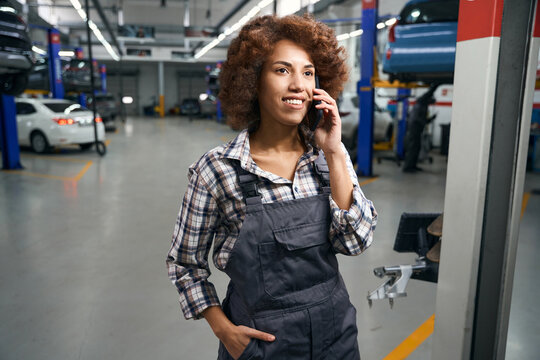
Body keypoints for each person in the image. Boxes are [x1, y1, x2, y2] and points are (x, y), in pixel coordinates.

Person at [166, 14, 377, 360]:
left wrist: (336, 151)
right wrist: (225, 330)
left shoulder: (327, 158)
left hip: (336, 337)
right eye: (282, 70)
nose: (298, 85)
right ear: (253, 81)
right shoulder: (218, 170)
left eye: (308, 72)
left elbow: (354, 242)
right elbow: (185, 264)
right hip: (263, 346)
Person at [402, 83, 439, 173]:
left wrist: (431, 119)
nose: (432, 102)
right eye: (432, 101)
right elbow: (429, 93)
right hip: (414, 127)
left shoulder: (424, 105)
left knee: (416, 147)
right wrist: (435, 86)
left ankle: (413, 165)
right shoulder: (422, 101)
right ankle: (407, 167)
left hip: (417, 128)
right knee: (413, 147)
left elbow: (424, 120)